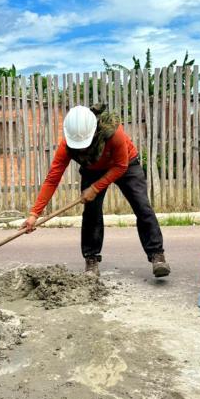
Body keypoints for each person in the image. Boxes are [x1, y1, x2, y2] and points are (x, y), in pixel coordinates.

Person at [22, 104, 170, 278]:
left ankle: (156, 255)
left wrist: (95, 188)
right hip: (92, 170)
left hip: (125, 165)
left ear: (94, 131)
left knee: (142, 206)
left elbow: (121, 166)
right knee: (91, 212)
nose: (82, 149)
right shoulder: (66, 145)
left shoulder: (113, 133)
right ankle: (91, 259)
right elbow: (52, 179)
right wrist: (34, 214)